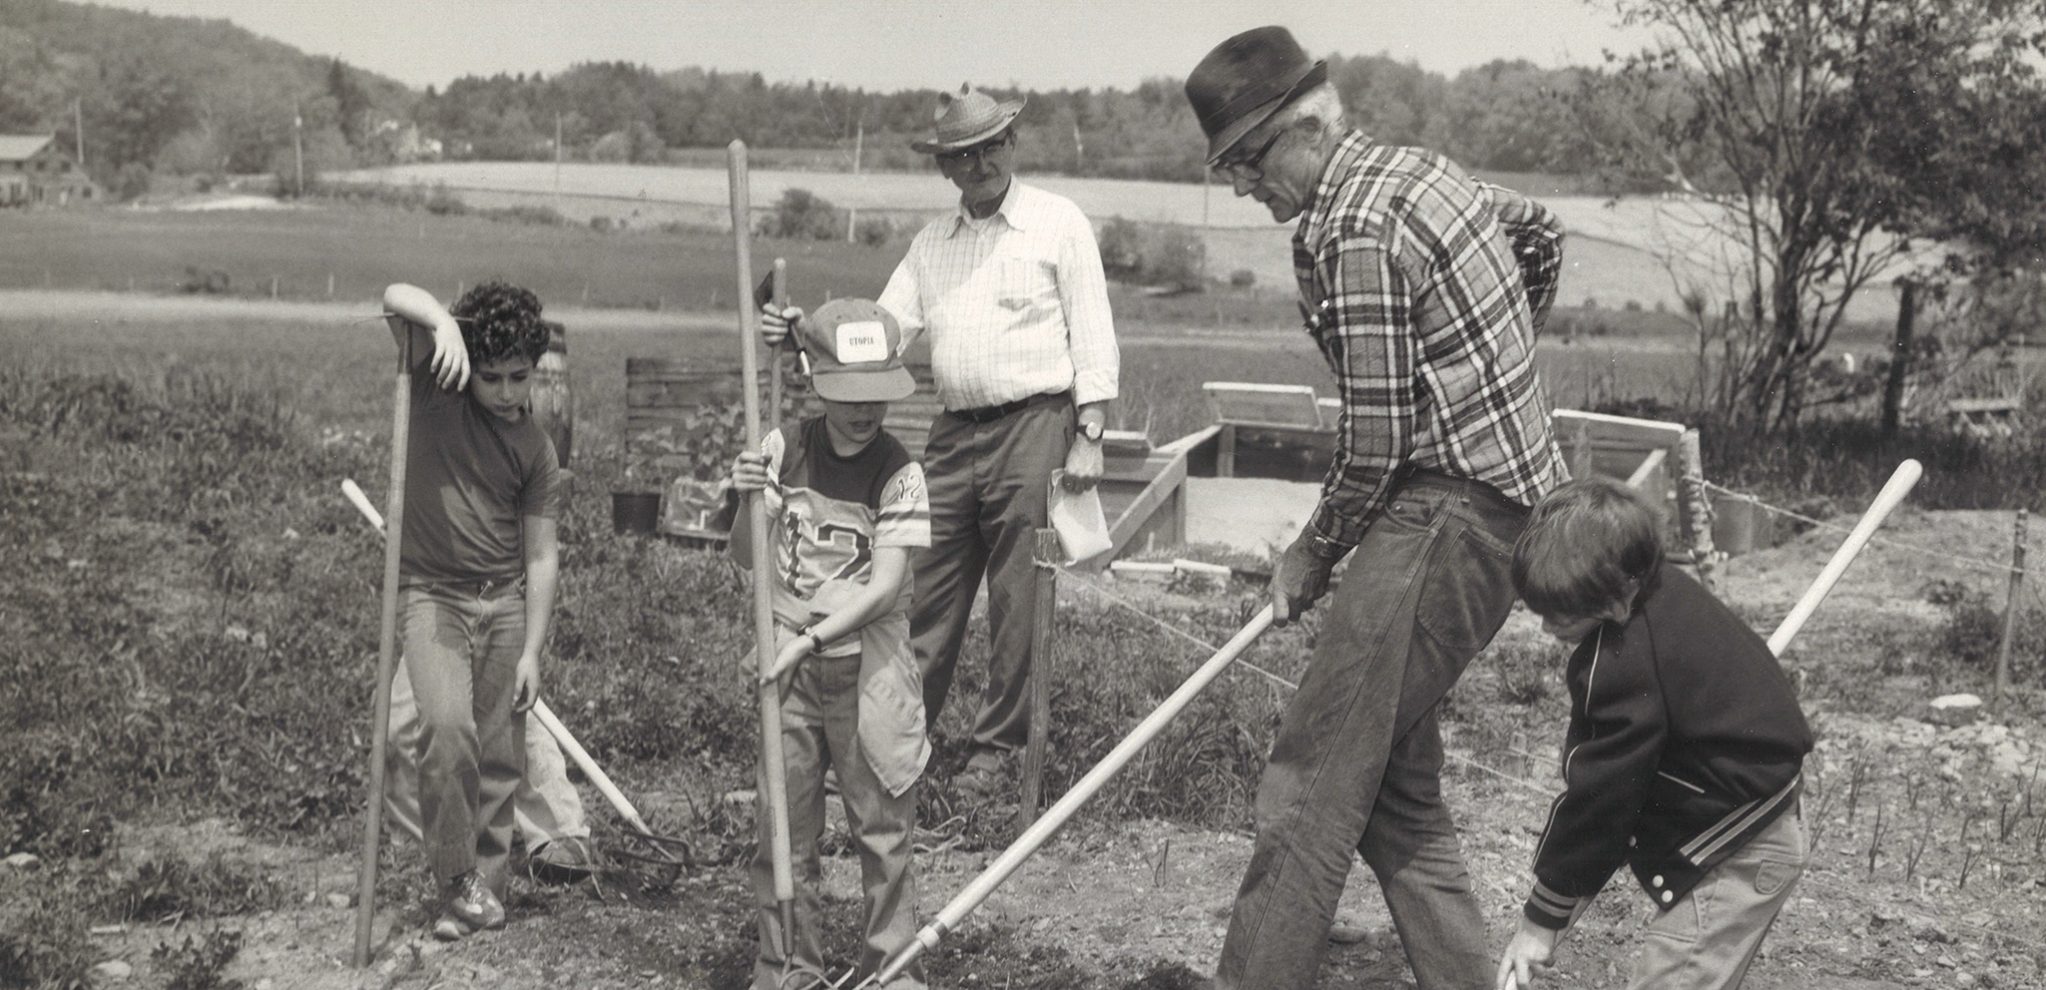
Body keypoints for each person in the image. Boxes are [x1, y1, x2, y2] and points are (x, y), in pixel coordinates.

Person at [1182, 26, 1568, 990]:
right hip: (1503, 512)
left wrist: (1311, 554)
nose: (1243, 186)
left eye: (1248, 160)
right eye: (1229, 167)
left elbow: (1377, 439)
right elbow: (1540, 231)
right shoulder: (1420, 171)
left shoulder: (1351, 227)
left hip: (1445, 516)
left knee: (1307, 787)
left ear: (1307, 127)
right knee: (1394, 785)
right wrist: (1496, 360)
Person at [761, 83, 1119, 799]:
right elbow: (880, 333)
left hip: (1036, 425)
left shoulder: (1057, 223)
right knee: (923, 592)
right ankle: (896, 737)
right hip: (955, 433)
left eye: (992, 147)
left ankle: (996, 751)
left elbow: (1094, 329)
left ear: (1012, 146)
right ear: (946, 168)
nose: (981, 163)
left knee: (1019, 597)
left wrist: (1090, 432)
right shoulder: (932, 245)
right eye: (964, 155)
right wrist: (805, 331)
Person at [1497, 477, 1812, 990]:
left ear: (1616, 601)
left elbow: (1601, 799)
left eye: (1562, 614)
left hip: (1736, 849)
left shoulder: (1622, 661)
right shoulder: (1663, 588)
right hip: (1761, 816)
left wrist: (1539, 921)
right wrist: (1559, 904)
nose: (1547, 629)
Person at [726, 299, 933, 989]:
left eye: (879, 392)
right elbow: (748, 560)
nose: (865, 409)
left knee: (882, 826)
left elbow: (885, 586)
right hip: (787, 664)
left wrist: (811, 639)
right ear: (814, 378)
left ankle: (892, 968)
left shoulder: (900, 472)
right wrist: (749, 502)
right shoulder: (784, 447)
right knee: (783, 829)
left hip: (865, 669)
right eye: (849, 393)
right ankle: (789, 965)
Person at [379, 280, 565, 940]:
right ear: (470, 367)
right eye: (495, 378)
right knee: (448, 733)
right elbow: (393, 293)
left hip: (505, 604)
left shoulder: (536, 450)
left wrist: (532, 650)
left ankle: (483, 887)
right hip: (433, 596)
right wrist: (442, 324)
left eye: (522, 377)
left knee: (497, 753)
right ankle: (457, 875)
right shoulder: (437, 389)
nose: (510, 392)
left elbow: (541, 556)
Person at [384, 657, 594, 884]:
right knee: (399, 728)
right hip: (429, 627)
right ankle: (419, 843)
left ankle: (560, 831)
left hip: (493, 623)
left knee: (512, 705)